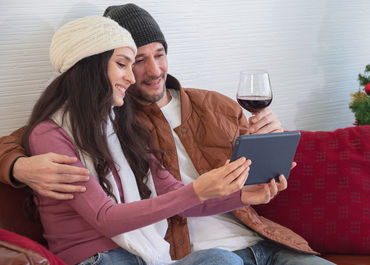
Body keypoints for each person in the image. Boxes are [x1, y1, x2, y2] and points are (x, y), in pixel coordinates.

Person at [0, 3, 334, 265]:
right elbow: (105, 216)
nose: (140, 74)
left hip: (194, 247)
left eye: (158, 55)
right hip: (105, 257)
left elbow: (177, 190)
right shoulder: (59, 130)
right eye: (128, 63)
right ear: (92, 64)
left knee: (223, 259)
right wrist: (17, 166)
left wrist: (247, 193)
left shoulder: (128, 125)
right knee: (221, 259)